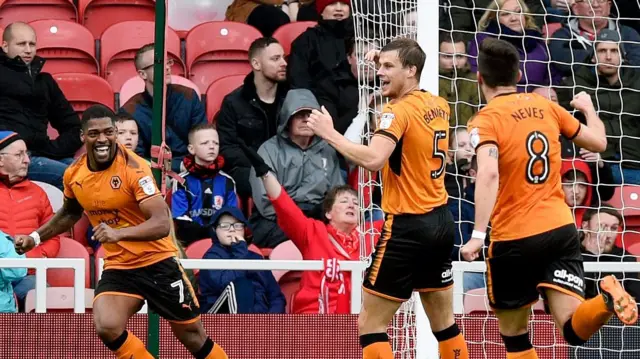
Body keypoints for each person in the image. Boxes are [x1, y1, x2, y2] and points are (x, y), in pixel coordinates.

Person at [460, 37, 636, 359]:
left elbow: (486, 173)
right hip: (560, 229)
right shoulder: (546, 107)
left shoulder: (485, 119)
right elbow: (598, 142)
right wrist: (588, 109)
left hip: (513, 236)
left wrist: (476, 236)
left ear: (480, 78)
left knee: (515, 338)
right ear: (517, 75)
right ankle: (605, 300)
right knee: (571, 329)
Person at [13, 104, 228, 359]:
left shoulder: (134, 168)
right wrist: (35, 238)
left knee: (192, 336)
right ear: (83, 137)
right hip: (120, 266)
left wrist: (118, 234)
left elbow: (161, 223)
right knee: (107, 324)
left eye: (108, 132)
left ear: (115, 132)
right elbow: (70, 212)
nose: (102, 139)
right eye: (94, 134)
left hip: (157, 263)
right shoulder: (74, 173)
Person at [307, 38, 469, 359]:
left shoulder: (396, 112)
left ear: (411, 71)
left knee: (370, 323)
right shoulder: (439, 105)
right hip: (441, 222)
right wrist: (385, 57)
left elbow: (374, 159)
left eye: (387, 67)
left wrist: (329, 133)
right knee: (444, 324)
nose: (379, 72)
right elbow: (406, 68)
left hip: (407, 227)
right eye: (379, 66)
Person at [240, 141, 381, 314]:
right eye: (344, 202)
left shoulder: (372, 234)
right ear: (328, 213)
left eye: (355, 203)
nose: (351, 206)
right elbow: (286, 207)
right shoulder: (313, 232)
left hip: (361, 318)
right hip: (314, 316)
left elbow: (402, 217)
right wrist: (265, 174)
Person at [0, 22, 83, 191]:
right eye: (21, 44)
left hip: (42, 155)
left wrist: (52, 149)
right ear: (5, 46)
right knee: (72, 178)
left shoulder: (45, 81)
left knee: (89, 175)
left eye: (32, 44)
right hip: (12, 158)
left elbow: (72, 125)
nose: (28, 50)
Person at [198, 206, 285, 314]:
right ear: (215, 230)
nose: (232, 229)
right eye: (224, 226)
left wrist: (271, 321)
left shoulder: (256, 259)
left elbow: (276, 296)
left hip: (259, 321)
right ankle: (244, 328)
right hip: (218, 320)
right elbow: (224, 284)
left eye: (237, 225)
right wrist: (240, 252)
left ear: (245, 230)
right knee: (243, 285)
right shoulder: (211, 257)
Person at [172, 124, 238, 247]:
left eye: (216, 143)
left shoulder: (228, 181)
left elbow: (231, 216)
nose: (212, 147)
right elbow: (180, 218)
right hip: (189, 242)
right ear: (191, 149)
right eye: (205, 143)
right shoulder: (181, 181)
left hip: (221, 243)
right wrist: (206, 233)